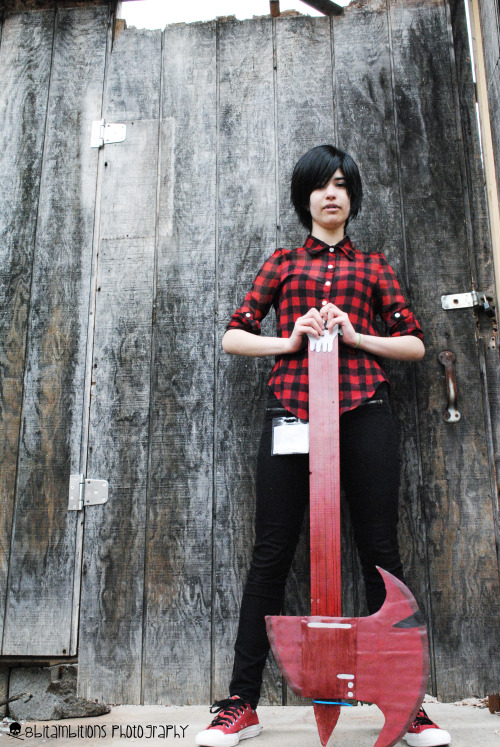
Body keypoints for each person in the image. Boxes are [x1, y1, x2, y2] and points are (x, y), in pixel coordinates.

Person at [195, 145, 451, 747]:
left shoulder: (376, 267)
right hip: (292, 413)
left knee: (381, 552)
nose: (331, 194)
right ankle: (241, 704)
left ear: (352, 198)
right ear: (305, 197)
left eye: (341, 185)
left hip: (364, 413)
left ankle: (407, 707)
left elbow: (413, 344)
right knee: (271, 551)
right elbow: (234, 335)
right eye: (320, 185)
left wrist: (359, 335)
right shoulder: (282, 263)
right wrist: (288, 341)